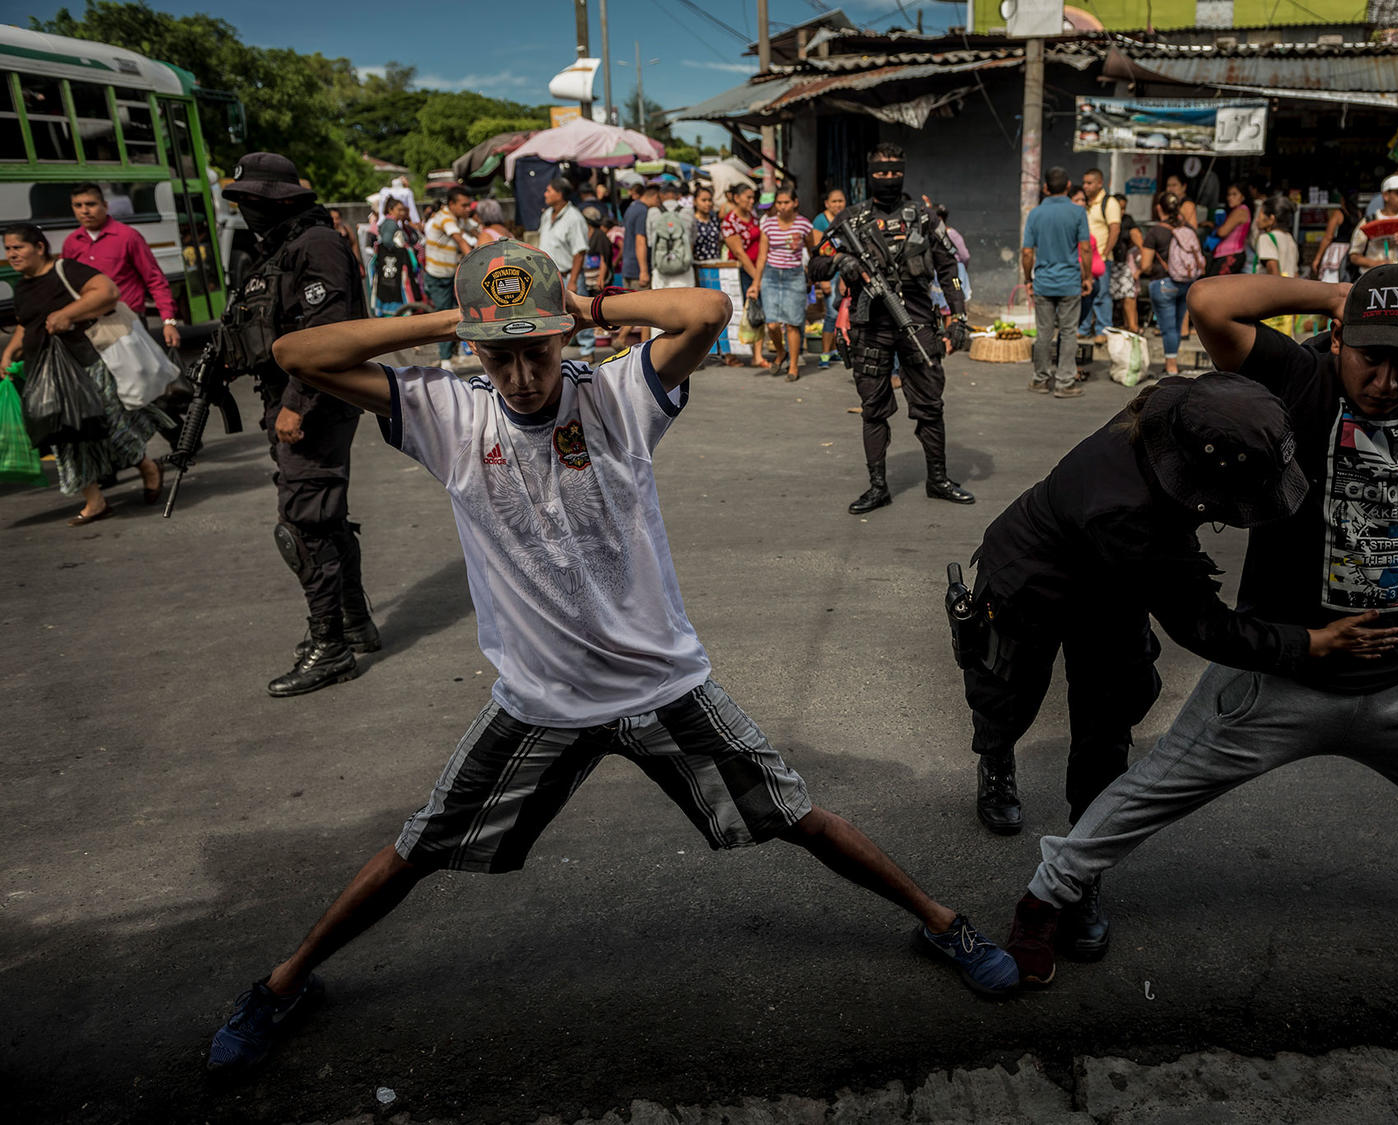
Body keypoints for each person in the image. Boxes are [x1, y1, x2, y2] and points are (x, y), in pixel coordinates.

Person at [204, 242, 1023, 1075]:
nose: (522, 374)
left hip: (660, 684)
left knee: (798, 816)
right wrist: (464, 318)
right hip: (540, 700)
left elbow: (705, 312)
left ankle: (939, 919)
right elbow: (295, 353)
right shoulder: (451, 414)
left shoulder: (621, 395)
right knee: (420, 846)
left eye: (538, 349)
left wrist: (582, 308)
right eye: (502, 355)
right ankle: (281, 986)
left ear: (563, 338)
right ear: (477, 352)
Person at [1004, 265, 1398, 988]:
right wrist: (1338, 297)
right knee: (1150, 789)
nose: (1387, 379)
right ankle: (1048, 894)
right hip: (1276, 676)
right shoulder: (1300, 380)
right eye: (1370, 354)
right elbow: (1209, 301)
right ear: (1338, 341)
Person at [963, 373, 1398, 957]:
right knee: (1005, 689)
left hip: (1117, 589)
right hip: (1032, 578)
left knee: (1107, 722)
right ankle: (995, 757)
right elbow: (1203, 625)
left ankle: (1081, 865)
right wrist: (1310, 644)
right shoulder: (1127, 510)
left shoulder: (1187, 418)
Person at [220, 152, 380, 698]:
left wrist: (297, 403)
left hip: (314, 404)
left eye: (252, 201)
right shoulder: (278, 250)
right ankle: (354, 624)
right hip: (289, 399)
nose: (245, 210)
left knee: (303, 525)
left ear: (282, 200)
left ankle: (329, 647)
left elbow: (327, 332)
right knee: (324, 517)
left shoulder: (315, 244)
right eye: (240, 201)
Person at [809, 142, 974, 514]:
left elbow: (950, 267)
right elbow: (813, 266)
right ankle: (877, 486)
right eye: (880, 173)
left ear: (903, 172)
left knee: (930, 404)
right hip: (871, 328)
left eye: (893, 172)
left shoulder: (924, 217)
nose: (887, 179)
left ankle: (938, 479)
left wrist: (959, 316)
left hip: (917, 322)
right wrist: (840, 262)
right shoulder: (850, 219)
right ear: (869, 175)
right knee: (874, 409)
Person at [1, 223, 163, 523]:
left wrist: (67, 314)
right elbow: (26, 323)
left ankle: (148, 468)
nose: (11, 254)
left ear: (38, 247)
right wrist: (10, 353)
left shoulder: (66, 269)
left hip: (86, 364)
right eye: (8, 248)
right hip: (46, 375)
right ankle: (95, 500)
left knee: (111, 426)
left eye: (18, 247)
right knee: (64, 437)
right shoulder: (22, 286)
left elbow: (107, 292)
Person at [61, 183, 181, 350]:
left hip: (129, 323)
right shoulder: (72, 243)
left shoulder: (128, 237)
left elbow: (155, 280)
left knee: (138, 375)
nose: (84, 211)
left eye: (91, 204)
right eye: (78, 205)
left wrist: (169, 322)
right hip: (90, 326)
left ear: (105, 205)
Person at [1020, 166, 1092, 399]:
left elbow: (1027, 252)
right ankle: (1064, 382)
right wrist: (1087, 277)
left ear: (1045, 188)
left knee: (1043, 333)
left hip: (1043, 281)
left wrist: (1027, 278)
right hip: (1070, 281)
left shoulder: (1035, 214)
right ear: (1069, 186)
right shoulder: (1078, 212)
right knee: (1069, 332)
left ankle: (1041, 379)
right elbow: (1086, 248)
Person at [749, 184, 811, 382]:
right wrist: (755, 284)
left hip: (794, 275)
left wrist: (813, 275)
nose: (782, 206)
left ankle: (793, 366)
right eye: (779, 203)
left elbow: (812, 250)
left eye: (786, 202)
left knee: (792, 324)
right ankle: (781, 352)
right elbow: (761, 256)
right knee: (773, 324)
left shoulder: (804, 224)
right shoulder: (768, 224)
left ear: (795, 203)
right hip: (771, 276)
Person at [1140, 191, 1201, 377]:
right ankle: (1172, 362)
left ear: (1159, 208)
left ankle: (1171, 365)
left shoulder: (1155, 232)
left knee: (1168, 327)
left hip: (1163, 284)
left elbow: (1145, 265)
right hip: (1186, 283)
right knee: (1177, 324)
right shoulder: (1188, 228)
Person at [422, 187, 483, 369]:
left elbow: (478, 234)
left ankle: (453, 353)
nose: (467, 209)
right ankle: (445, 359)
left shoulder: (459, 219)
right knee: (444, 315)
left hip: (451, 274)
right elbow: (462, 242)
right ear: (451, 204)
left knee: (459, 312)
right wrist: (480, 265)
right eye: (463, 205)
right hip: (437, 275)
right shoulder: (445, 218)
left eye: (468, 205)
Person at [722, 181, 769, 369]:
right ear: (736, 198)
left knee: (757, 310)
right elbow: (740, 253)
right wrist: (757, 278)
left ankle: (757, 355)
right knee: (739, 311)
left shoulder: (754, 216)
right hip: (741, 272)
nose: (752, 201)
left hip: (757, 270)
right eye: (748, 197)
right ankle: (731, 353)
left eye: (753, 197)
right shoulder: (729, 222)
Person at [1078, 168, 1122, 341]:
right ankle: (1084, 327)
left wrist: (1105, 252)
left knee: (1102, 295)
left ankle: (1103, 330)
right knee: (1086, 293)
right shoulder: (1085, 203)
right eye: (1084, 183)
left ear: (1099, 183)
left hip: (1101, 260)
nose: (1085, 186)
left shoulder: (1109, 203)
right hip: (1084, 259)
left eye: (1089, 183)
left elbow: (1115, 229)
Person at [1252, 194, 1300, 335]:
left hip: (1271, 302)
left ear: (1271, 218)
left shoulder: (1266, 238)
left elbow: (1273, 270)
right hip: (1288, 302)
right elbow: (1295, 273)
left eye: (1260, 214)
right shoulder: (1290, 239)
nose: (1257, 219)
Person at [810, 188, 847, 369]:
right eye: (834, 201)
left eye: (840, 201)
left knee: (840, 314)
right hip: (829, 274)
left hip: (844, 273)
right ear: (827, 203)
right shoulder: (820, 220)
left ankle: (834, 351)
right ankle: (824, 353)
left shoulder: (846, 218)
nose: (837, 204)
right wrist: (823, 280)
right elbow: (817, 250)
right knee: (831, 313)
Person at [1348, 174, 1398, 276]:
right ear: (1386, 195)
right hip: (1373, 278)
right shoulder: (1369, 220)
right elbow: (1354, 255)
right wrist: (1376, 264)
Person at [536, 176, 590, 293]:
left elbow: (579, 253)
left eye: (549, 191)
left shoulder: (574, 218)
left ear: (559, 194)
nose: (545, 194)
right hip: (548, 280)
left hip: (567, 279)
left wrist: (573, 282)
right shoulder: (547, 215)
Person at [371, 196, 422, 316]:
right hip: (394, 264)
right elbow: (387, 242)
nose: (402, 212)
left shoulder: (393, 223)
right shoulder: (390, 224)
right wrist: (401, 250)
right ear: (390, 210)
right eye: (399, 210)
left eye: (403, 210)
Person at [647, 178, 696, 292]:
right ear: (678, 196)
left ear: (660, 195)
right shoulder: (688, 212)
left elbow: (650, 242)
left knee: (661, 306)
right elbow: (692, 240)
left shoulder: (652, 212)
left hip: (661, 271)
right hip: (684, 271)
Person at [1309, 188, 1362, 284]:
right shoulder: (1358, 214)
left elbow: (1328, 237)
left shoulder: (1338, 213)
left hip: (1337, 252)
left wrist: (1317, 259)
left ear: (1342, 199)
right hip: (1352, 250)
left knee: (1330, 284)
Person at [1109, 202, 1143, 334]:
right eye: (1119, 208)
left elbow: (1140, 242)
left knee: (1129, 295)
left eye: (1123, 208)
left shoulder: (1128, 221)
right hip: (1109, 262)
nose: (1121, 211)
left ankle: (1132, 325)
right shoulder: (1106, 218)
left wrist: (1141, 268)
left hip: (1124, 264)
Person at [1208, 182, 1251, 276]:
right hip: (1227, 254)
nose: (1230, 198)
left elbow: (1222, 232)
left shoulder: (1240, 211)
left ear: (1243, 196)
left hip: (1230, 255)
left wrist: (1216, 228)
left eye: (1234, 194)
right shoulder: (1237, 210)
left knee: (1215, 286)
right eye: (1229, 194)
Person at [327, 208, 366, 281]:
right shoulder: (327, 231)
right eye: (333, 218)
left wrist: (357, 259)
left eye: (337, 218)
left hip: (348, 262)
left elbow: (354, 242)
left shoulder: (345, 228)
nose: (335, 221)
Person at [692, 183, 722, 263]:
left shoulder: (714, 220)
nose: (708, 204)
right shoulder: (692, 222)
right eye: (704, 200)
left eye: (710, 200)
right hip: (699, 266)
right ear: (695, 201)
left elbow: (719, 242)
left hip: (716, 264)